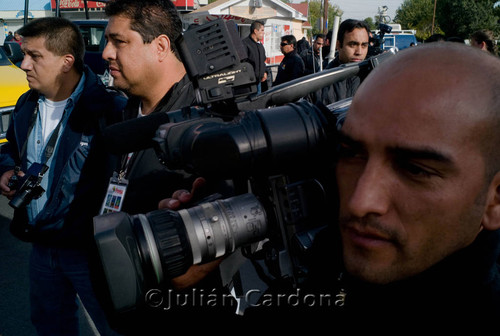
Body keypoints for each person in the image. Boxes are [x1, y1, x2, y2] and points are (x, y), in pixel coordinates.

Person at [164, 42, 500, 331]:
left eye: (415, 169)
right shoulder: (327, 269)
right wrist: (194, 278)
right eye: (350, 153)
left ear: (495, 199)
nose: (359, 201)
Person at [99, 0, 236, 333]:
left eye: (119, 41)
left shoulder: (211, 123)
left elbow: (202, 261)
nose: (105, 53)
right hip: (127, 310)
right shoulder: (124, 111)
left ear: (160, 46)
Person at [0, 17, 126, 336]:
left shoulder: (109, 110)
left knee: (111, 326)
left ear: (66, 61)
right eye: (21, 54)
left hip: (91, 252)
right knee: (50, 325)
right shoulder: (26, 104)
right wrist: (4, 169)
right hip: (41, 246)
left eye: (35, 56)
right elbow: (11, 150)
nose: (24, 64)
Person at [315, 19, 370, 105]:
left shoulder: (374, 80)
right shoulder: (320, 84)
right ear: (338, 45)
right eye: (352, 45)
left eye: (364, 45)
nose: (359, 52)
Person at [241, 20, 267, 93]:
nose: (263, 33)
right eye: (262, 30)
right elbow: (243, 63)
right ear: (255, 31)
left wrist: (265, 72)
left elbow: (263, 61)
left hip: (259, 82)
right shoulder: (244, 44)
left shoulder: (260, 45)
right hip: (248, 84)